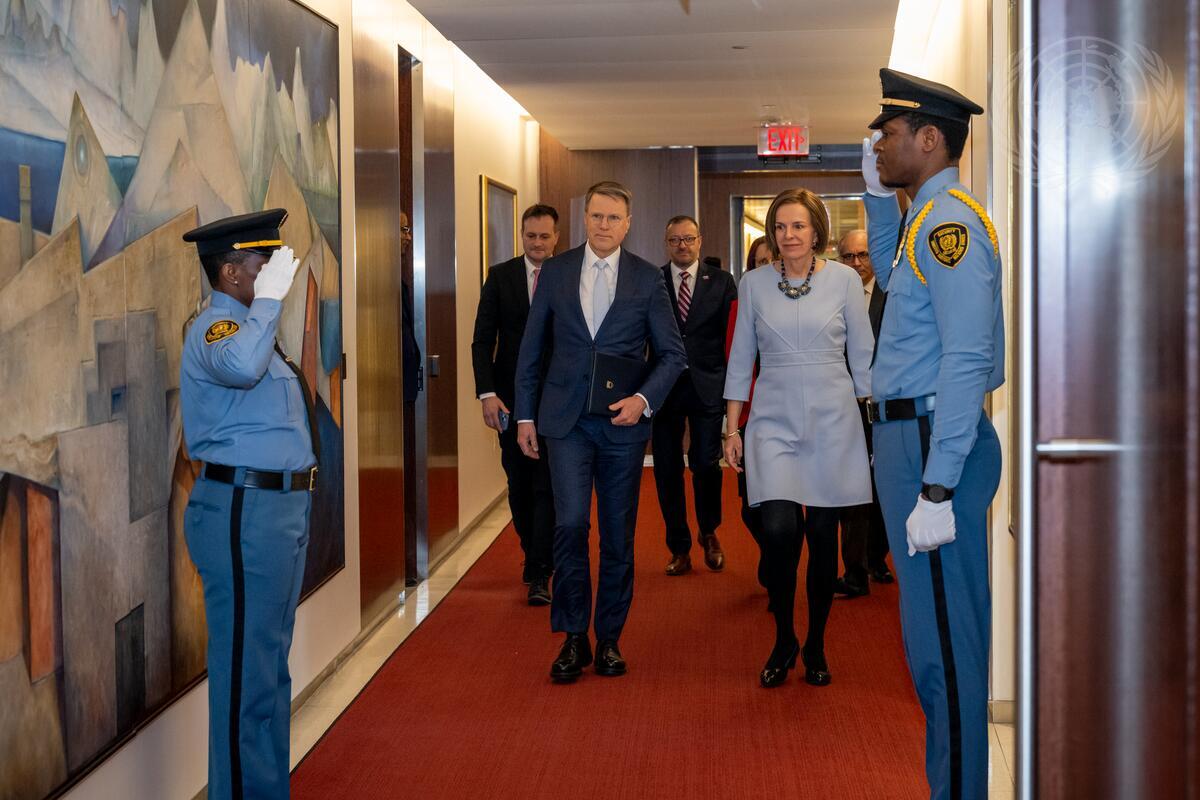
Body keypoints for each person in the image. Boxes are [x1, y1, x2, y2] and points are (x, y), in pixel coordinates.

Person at [861, 68, 1004, 800]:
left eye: (887, 135)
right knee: (929, 644)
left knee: (947, 650)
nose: (877, 146)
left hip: (928, 443)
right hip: (908, 440)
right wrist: (874, 194)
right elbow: (893, 278)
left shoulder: (950, 225)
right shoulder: (922, 217)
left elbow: (969, 358)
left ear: (928, 139)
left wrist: (940, 483)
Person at [514, 180, 686, 683]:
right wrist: (525, 416)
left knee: (617, 534)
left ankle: (609, 637)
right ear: (584, 219)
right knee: (569, 526)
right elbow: (530, 350)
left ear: (627, 224)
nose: (603, 225)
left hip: (621, 426)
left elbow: (672, 355)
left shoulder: (646, 278)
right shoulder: (556, 271)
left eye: (613, 218)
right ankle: (573, 637)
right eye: (596, 216)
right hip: (565, 423)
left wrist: (643, 400)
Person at [180, 209, 314, 800]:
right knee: (245, 672)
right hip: (241, 509)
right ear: (232, 272)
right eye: (264, 262)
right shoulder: (217, 330)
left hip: (277, 511)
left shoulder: (257, 331)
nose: (274, 271)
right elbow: (240, 367)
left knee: (268, 665)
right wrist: (270, 302)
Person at [723, 190, 873, 688]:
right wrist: (732, 427)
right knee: (779, 531)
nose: (789, 235)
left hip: (833, 420)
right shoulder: (753, 283)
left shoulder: (845, 280)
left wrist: (876, 420)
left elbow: (863, 355)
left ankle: (816, 644)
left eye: (799, 226)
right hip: (772, 421)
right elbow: (741, 357)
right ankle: (784, 637)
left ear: (816, 232)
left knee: (823, 538)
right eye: (781, 226)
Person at [471, 204, 561, 604]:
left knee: (547, 484)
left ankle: (541, 569)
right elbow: (481, 341)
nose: (537, 243)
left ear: (556, 237)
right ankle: (533, 551)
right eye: (530, 236)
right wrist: (487, 393)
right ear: (522, 236)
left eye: (544, 236)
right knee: (519, 484)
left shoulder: (569, 275)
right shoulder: (500, 276)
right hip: (509, 400)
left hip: (557, 399)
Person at [651, 215, 737, 576]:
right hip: (664, 388)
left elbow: (732, 337)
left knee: (705, 463)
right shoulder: (652, 280)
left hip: (708, 385)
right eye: (675, 240)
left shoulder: (721, 281)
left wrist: (732, 387)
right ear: (666, 244)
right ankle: (679, 547)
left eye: (688, 238)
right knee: (667, 469)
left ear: (700, 240)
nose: (682, 245)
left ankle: (709, 530)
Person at [834, 228, 893, 597]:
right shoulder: (833, 294)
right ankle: (854, 570)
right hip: (843, 408)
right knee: (852, 491)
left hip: (886, 407)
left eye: (863, 255)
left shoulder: (891, 294)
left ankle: (877, 558)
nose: (856, 263)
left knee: (883, 485)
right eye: (848, 256)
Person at [728, 236, 772, 588]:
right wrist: (732, 425)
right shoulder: (740, 305)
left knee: (784, 505)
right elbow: (735, 363)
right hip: (750, 416)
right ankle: (772, 552)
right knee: (750, 507)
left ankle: (778, 566)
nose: (767, 267)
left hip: (789, 415)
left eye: (772, 260)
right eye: (760, 262)